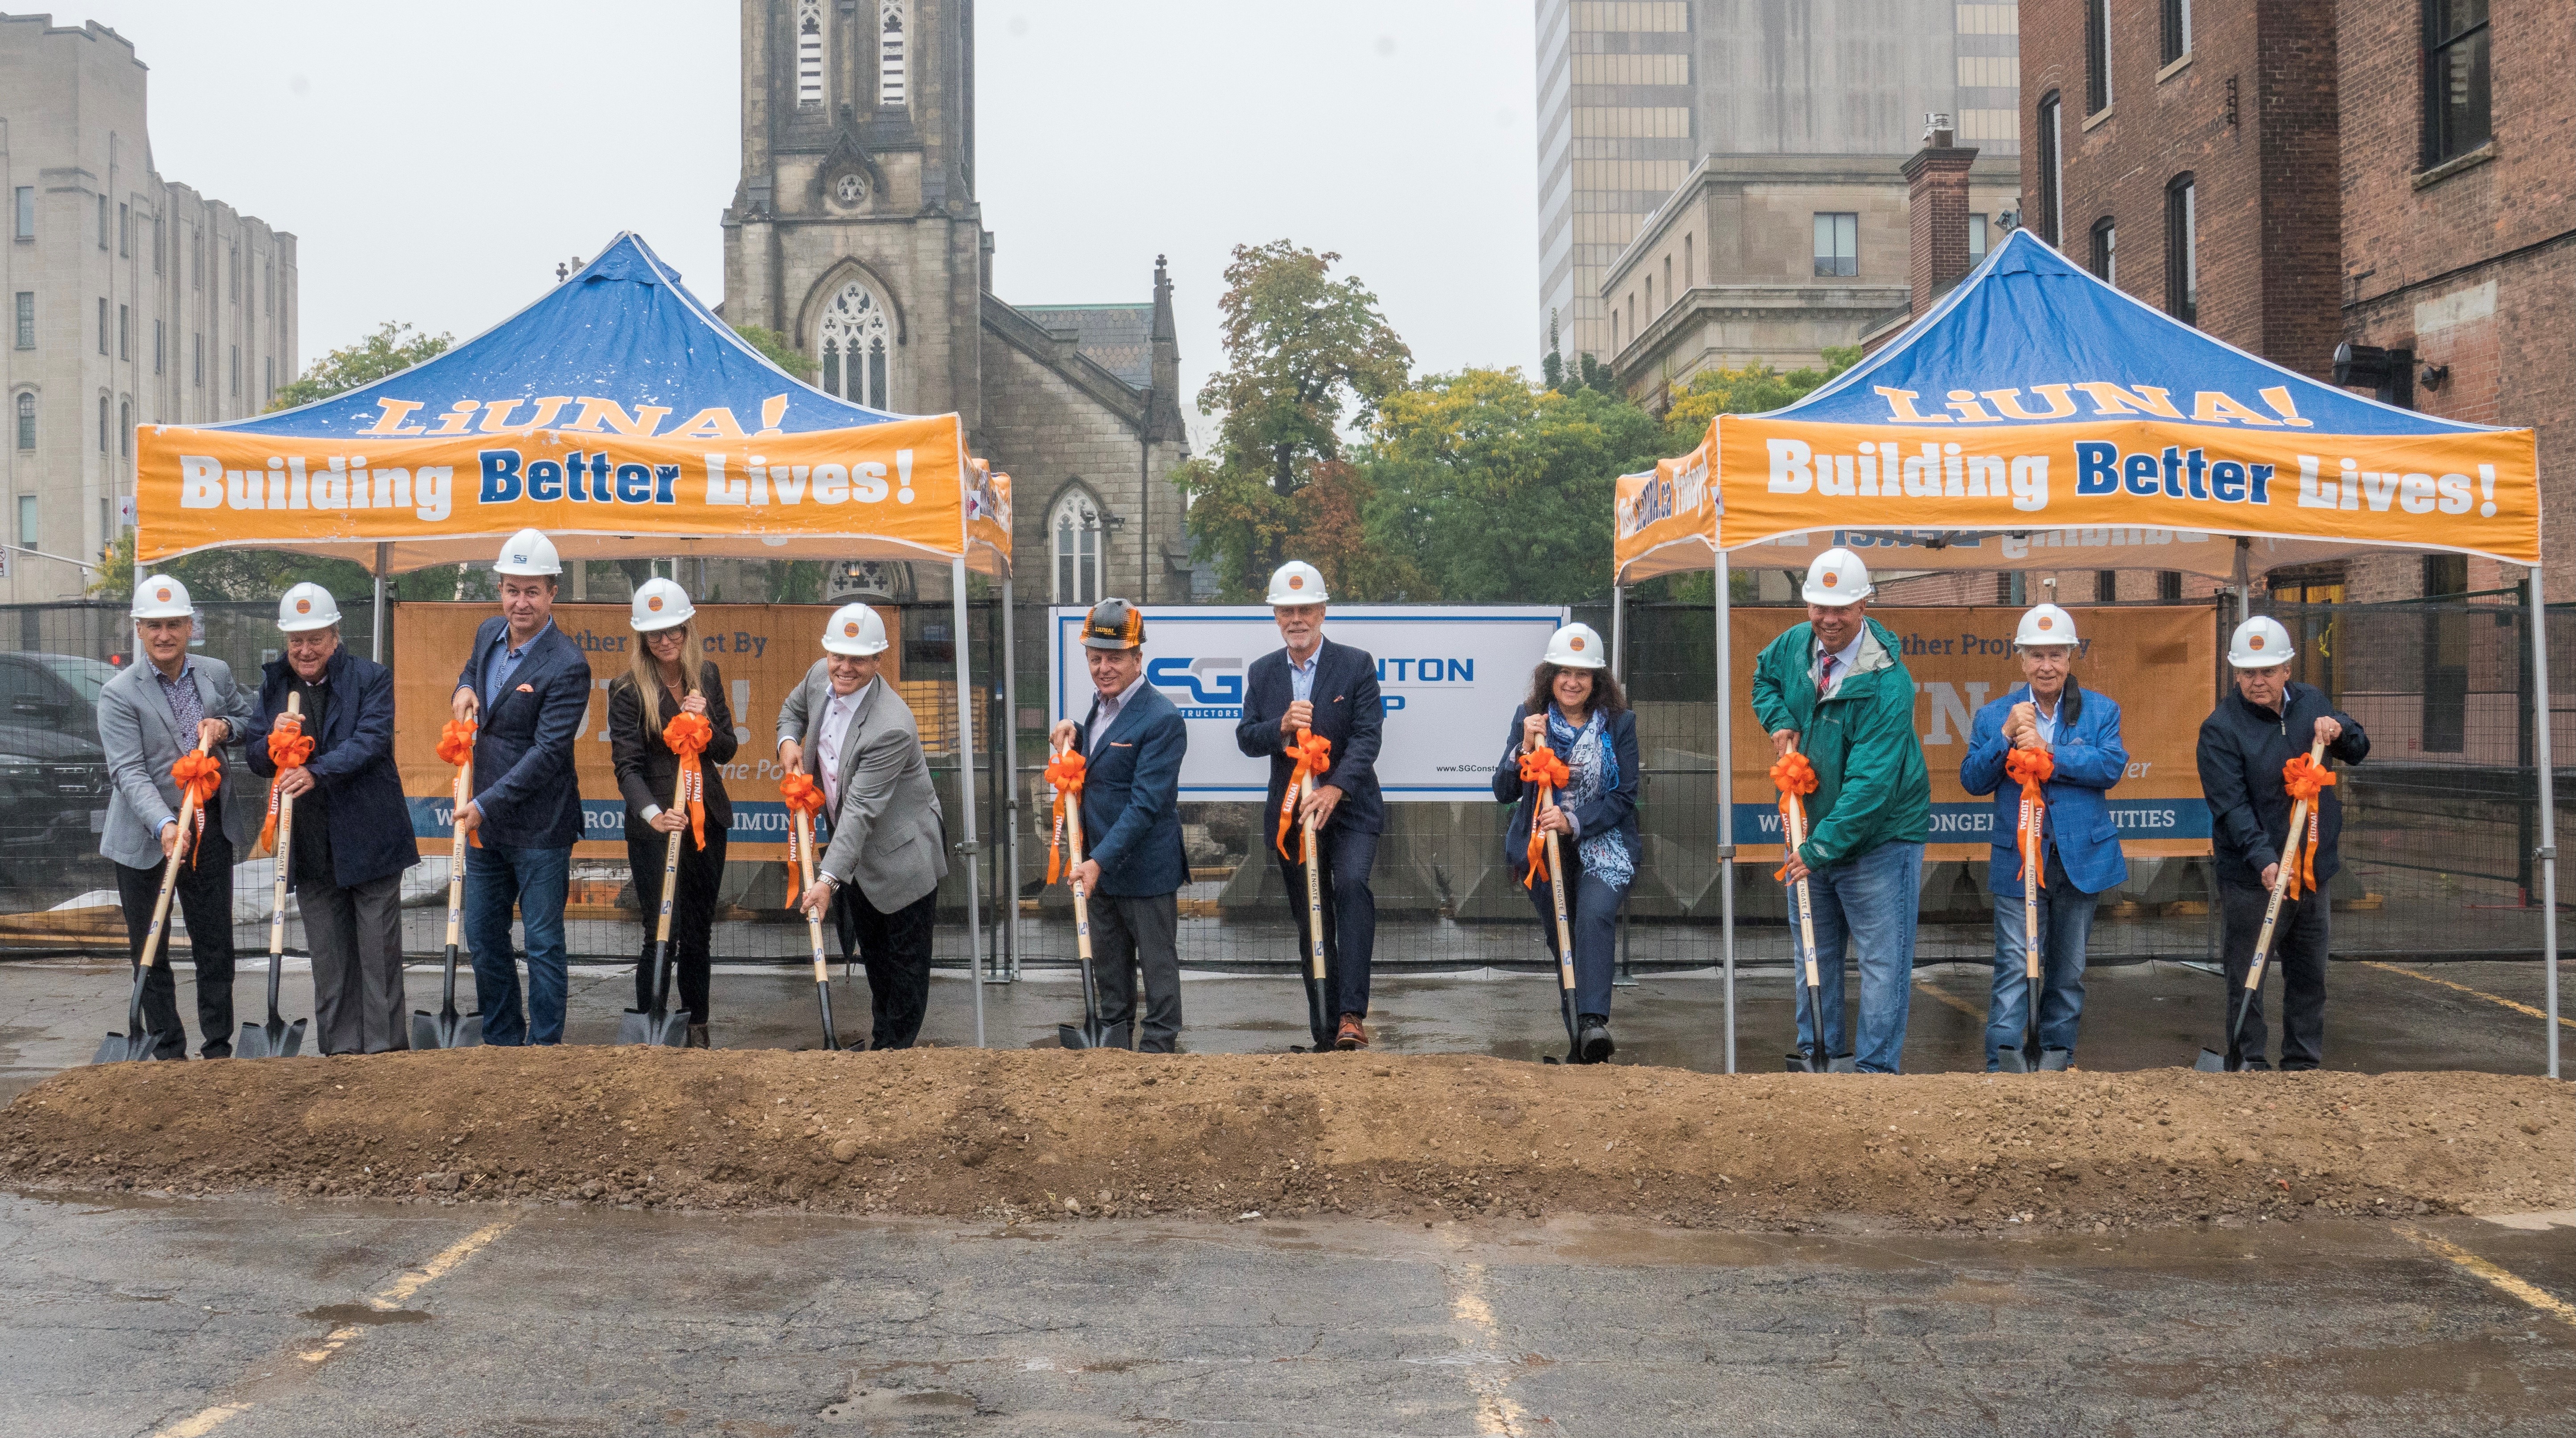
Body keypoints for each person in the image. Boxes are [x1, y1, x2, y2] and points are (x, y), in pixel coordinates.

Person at [1750, 547, 1932, 1073]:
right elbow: (1763, 678)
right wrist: (1780, 718)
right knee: (1814, 949)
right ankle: (1820, 1055)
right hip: (1809, 828)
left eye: (1842, 609)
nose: (1829, 620)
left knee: (1881, 961)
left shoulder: (1889, 682)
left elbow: (1871, 786)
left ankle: (1875, 1071)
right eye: (1819, 607)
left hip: (1880, 838)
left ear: (1864, 604)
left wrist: (1821, 848)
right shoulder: (1793, 646)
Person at [242, 583, 419, 1055]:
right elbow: (256, 756)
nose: (305, 650)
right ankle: (341, 1055)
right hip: (312, 844)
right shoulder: (275, 684)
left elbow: (371, 741)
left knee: (379, 959)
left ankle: (384, 1054)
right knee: (330, 959)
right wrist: (270, 742)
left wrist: (315, 772)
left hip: (371, 838)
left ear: (335, 635)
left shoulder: (371, 678)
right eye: (296, 640)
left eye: (315, 638)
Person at [2196, 614, 2369, 1071]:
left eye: (2268, 671)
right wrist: (2264, 860)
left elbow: (2359, 746)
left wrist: (2341, 728)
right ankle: (2249, 1060)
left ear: (2287, 669)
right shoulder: (2220, 728)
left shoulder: (2311, 702)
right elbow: (2230, 806)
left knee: (2310, 975)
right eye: (2249, 672)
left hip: (2314, 871)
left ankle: (2303, 1064)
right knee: (2247, 977)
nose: (2259, 681)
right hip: (2255, 879)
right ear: (2236, 674)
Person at [1960, 603, 2127, 1072]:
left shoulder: (2101, 710)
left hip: (2080, 859)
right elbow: (1973, 779)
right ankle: (2002, 1063)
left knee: (2069, 971)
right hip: (2020, 859)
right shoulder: (1997, 713)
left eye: (2056, 654)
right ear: (2021, 659)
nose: (2047, 665)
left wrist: (2050, 751)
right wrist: (2006, 737)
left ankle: (2059, 1057)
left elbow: (2110, 766)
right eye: (2037, 655)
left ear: (2072, 656)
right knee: (2015, 966)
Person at [97, 574, 257, 1059]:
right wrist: (165, 825)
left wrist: (225, 726)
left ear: (190, 626)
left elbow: (251, 721)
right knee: (152, 945)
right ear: (139, 630)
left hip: (209, 827)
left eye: (173, 624)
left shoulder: (216, 673)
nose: (164, 634)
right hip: (147, 837)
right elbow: (128, 772)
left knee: (215, 941)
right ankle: (167, 1048)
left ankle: (217, 1046)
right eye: (153, 626)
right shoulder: (119, 693)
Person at [1233, 561, 1385, 1052]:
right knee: (1311, 916)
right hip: (1293, 817)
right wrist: (1279, 725)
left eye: (1305, 609)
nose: (1296, 618)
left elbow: (1367, 737)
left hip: (1350, 808)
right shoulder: (1261, 672)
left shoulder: (1356, 664)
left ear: (1322, 611)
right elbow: (1246, 739)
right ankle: (1324, 1025)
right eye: (1286, 611)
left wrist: (1335, 788)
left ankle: (1350, 1014)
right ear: (1276, 617)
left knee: (1350, 886)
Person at [449, 529, 588, 1046]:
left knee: (544, 941)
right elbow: (473, 671)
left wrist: (484, 803)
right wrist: (464, 687)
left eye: (532, 590)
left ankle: (545, 1047)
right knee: (484, 937)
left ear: (553, 592)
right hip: (486, 824)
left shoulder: (568, 664)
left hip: (540, 827)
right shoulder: (489, 631)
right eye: (512, 589)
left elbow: (549, 753)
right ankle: (503, 1039)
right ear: (501, 590)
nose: (520, 601)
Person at [787, 602, 947, 1050]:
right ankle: (882, 1045)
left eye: (858, 658)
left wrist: (826, 880)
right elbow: (792, 710)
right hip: (854, 854)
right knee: (874, 956)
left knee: (905, 967)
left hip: (901, 856)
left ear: (878, 661)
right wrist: (787, 742)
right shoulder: (820, 677)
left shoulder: (891, 726)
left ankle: (895, 1055)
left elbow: (860, 810)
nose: (844, 667)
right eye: (838, 655)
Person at [1047, 598, 1188, 1052]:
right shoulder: (1098, 709)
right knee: (1111, 972)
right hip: (1100, 874)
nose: (1104, 668)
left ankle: (1158, 1054)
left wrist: (1097, 862)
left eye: (1115, 658)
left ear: (1137, 658)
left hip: (1144, 871)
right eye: (1096, 658)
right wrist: (1074, 731)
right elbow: (1104, 757)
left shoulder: (1163, 719)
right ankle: (1112, 1049)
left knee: (1158, 971)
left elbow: (1146, 805)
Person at [1492, 622, 1638, 1063]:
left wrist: (1573, 820)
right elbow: (1503, 790)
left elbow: (1624, 794)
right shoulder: (1529, 718)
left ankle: (1593, 1020)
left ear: (1596, 681)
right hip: (1542, 849)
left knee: (1593, 917)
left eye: (1583, 674)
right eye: (1564, 673)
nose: (1572, 682)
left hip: (1603, 844)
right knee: (1564, 938)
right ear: (1550, 675)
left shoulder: (1619, 724)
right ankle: (1581, 1042)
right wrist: (1523, 746)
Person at [610, 578, 737, 1049]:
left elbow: (727, 749)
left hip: (708, 820)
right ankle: (653, 1023)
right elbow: (627, 765)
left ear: (688, 628)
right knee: (660, 927)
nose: (665, 641)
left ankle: (697, 1025)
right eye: (654, 633)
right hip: (657, 828)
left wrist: (705, 723)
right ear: (642, 637)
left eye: (674, 631)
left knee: (699, 931)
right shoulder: (625, 690)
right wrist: (651, 813)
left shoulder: (708, 675)